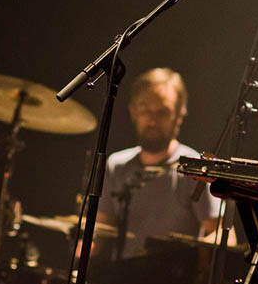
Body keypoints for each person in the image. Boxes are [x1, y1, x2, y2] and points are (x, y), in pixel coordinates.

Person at [96, 67, 231, 261]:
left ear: (180, 114)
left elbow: (223, 235)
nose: (152, 120)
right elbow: (100, 230)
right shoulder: (116, 164)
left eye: (162, 112)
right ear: (133, 112)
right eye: (145, 110)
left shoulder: (194, 168)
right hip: (122, 281)